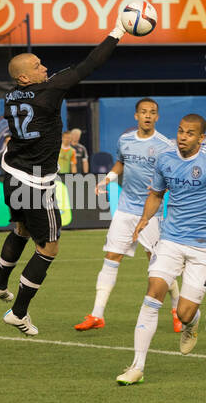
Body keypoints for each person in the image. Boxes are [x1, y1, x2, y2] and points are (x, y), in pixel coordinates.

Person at [0, 18, 128, 337]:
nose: (44, 67)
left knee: (21, 228)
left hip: (10, 172)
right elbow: (89, 64)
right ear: (24, 76)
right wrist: (117, 31)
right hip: (35, 181)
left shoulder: (11, 97)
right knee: (49, 248)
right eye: (38, 65)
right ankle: (18, 312)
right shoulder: (47, 92)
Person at [116, 114, 206, 386]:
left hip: (205, 246)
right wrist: (145, 218)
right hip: (170, 240)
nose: (183, 137)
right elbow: (156, 194)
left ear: (201, 138)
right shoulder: (165, 158)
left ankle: (192, 324)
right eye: (180, 131)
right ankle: (137, 366)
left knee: (184, 313)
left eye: (190, 133)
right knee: (153, 292)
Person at [75, 98, 180, 333]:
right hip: (125, 209)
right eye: (143, 112)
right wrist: (108, 179)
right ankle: (97, 315)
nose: (148, 116)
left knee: (159, 263)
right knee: (112, 258)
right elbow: (121, 163)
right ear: (136, 116)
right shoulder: (125, 140)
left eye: (152, 112)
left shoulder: (165, 145)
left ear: (157, 117)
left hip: (151, 212)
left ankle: (176, 310)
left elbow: (172, 174)